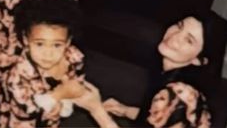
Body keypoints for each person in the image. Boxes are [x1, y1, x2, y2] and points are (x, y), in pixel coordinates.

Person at [72, 16, 212, 128]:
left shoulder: (180, 94)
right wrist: (125, 110)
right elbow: (160, 117)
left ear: (198, 60)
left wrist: (96, 109)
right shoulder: (169, 76)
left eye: (189, 40)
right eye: (179, 26)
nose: (175, 36)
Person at [0, 0, 86, 128]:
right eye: (39, 44)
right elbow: (27, 109)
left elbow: (77, 84)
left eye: (57, 45)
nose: (48, 54)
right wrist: (58, 95)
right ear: (26, 40)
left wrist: (66, 102)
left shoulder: (72, 56)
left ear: (68, 42)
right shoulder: (17, 74)